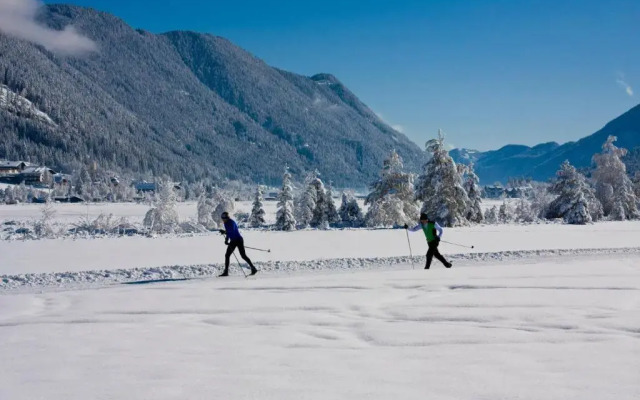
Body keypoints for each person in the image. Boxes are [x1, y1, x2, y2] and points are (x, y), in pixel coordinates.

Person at [218, 212, 258, 277]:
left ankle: (253, 268)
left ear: (227, 218)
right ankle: (226, 272)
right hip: (233, 241)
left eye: (224, 218)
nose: (223, 219)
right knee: (227, 255)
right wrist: (226, 239)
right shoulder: (225, 223)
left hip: (239, 240)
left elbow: (232, 230)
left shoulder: (231, 222)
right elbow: (228, 232)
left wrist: (224, 232)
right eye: (222, 218)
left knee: (243, 256)